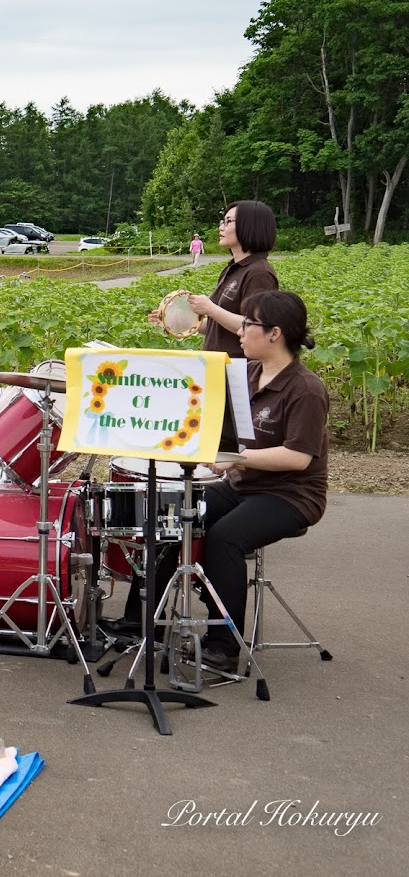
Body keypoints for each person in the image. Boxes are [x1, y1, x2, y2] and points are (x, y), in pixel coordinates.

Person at [142, 291, 329, 671]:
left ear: (274, 333)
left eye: (248, 324)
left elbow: (298, 457)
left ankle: (224, 645)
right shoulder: (245, 372)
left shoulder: (306, 388)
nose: (239, 331)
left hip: (292, 495)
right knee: (174, 516)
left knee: (226, 536)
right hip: (245, 483)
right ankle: (142, 624)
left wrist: (235, 459)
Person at [183, 201, 278, 359]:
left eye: (228, 222)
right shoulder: (233, 268)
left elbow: (257, 327)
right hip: (217, 367)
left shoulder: (259, 273)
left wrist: (210, 308)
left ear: (250, 226)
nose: (221, 228)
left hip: (240, 371)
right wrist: (179, 321)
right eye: (222, 222)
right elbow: (218, 326)